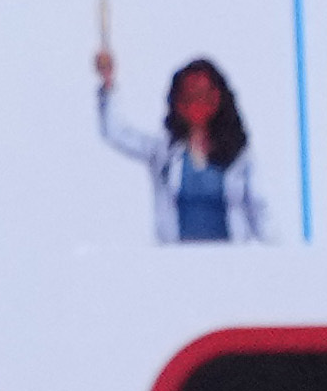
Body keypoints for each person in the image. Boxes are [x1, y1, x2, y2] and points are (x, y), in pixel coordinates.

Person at [90, 30, 271, 241]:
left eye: (203, 95)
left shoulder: (239, 155)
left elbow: (260, 212)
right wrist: (108, 84)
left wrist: (283, 263)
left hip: (229, 264)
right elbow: (116, 132)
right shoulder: (164, 152)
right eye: (189, 95)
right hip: (178, 265)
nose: (196, 103)